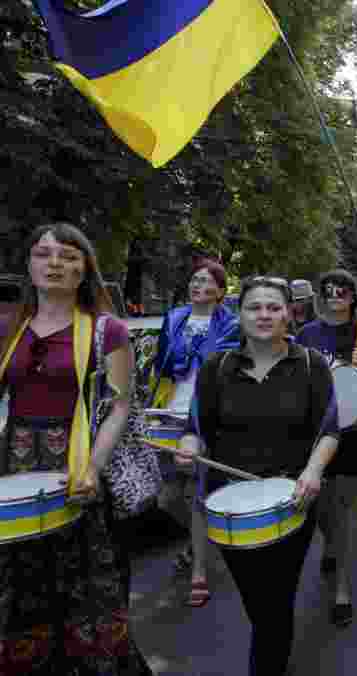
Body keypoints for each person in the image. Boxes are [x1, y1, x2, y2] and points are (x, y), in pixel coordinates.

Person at [0, 223, 152, 674]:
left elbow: (121, 405)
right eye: (44, 254)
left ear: (84, 269)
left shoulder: (111, 331)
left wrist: (92, 468)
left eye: (67, 256)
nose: (54, 264)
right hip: (16, 469)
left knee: (89, 591)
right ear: (29, 264)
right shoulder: (10, 327)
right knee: (21, 585)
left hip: (81, 468)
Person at [175, 274, 339, 676]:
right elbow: (196, 427)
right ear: (240, 313)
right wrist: (189, 446)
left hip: (292, 502)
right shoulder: (217, 367)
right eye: (254, 307)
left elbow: (330, 429)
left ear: (288, 314)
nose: (264, 315)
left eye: (273, 307)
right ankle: (272, 652)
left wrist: (314, 471)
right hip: (230, 507)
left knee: (275, 600)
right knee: (259, 603)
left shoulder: (310, 365)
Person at [295, 269, 357, 627]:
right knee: (321, 511)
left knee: (344, 511)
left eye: (342, 291)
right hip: (315, 434)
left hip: (356, 435)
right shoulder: (305, 335)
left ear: (353, 297)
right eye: (328, 291)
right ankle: (332, 546)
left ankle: (342, 590)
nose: (335, 296)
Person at [149, 258, 240, 606]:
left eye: (205, 281)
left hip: (206, 414)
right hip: (169, 411)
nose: (197, 285)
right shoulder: (174, 318)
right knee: (167, 498)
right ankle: (197, 539)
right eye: (194, 279)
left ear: (219, 290)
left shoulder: (230, 324)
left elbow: (224, 371)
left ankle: (199, 572)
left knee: (198, 494)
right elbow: (162, 365)